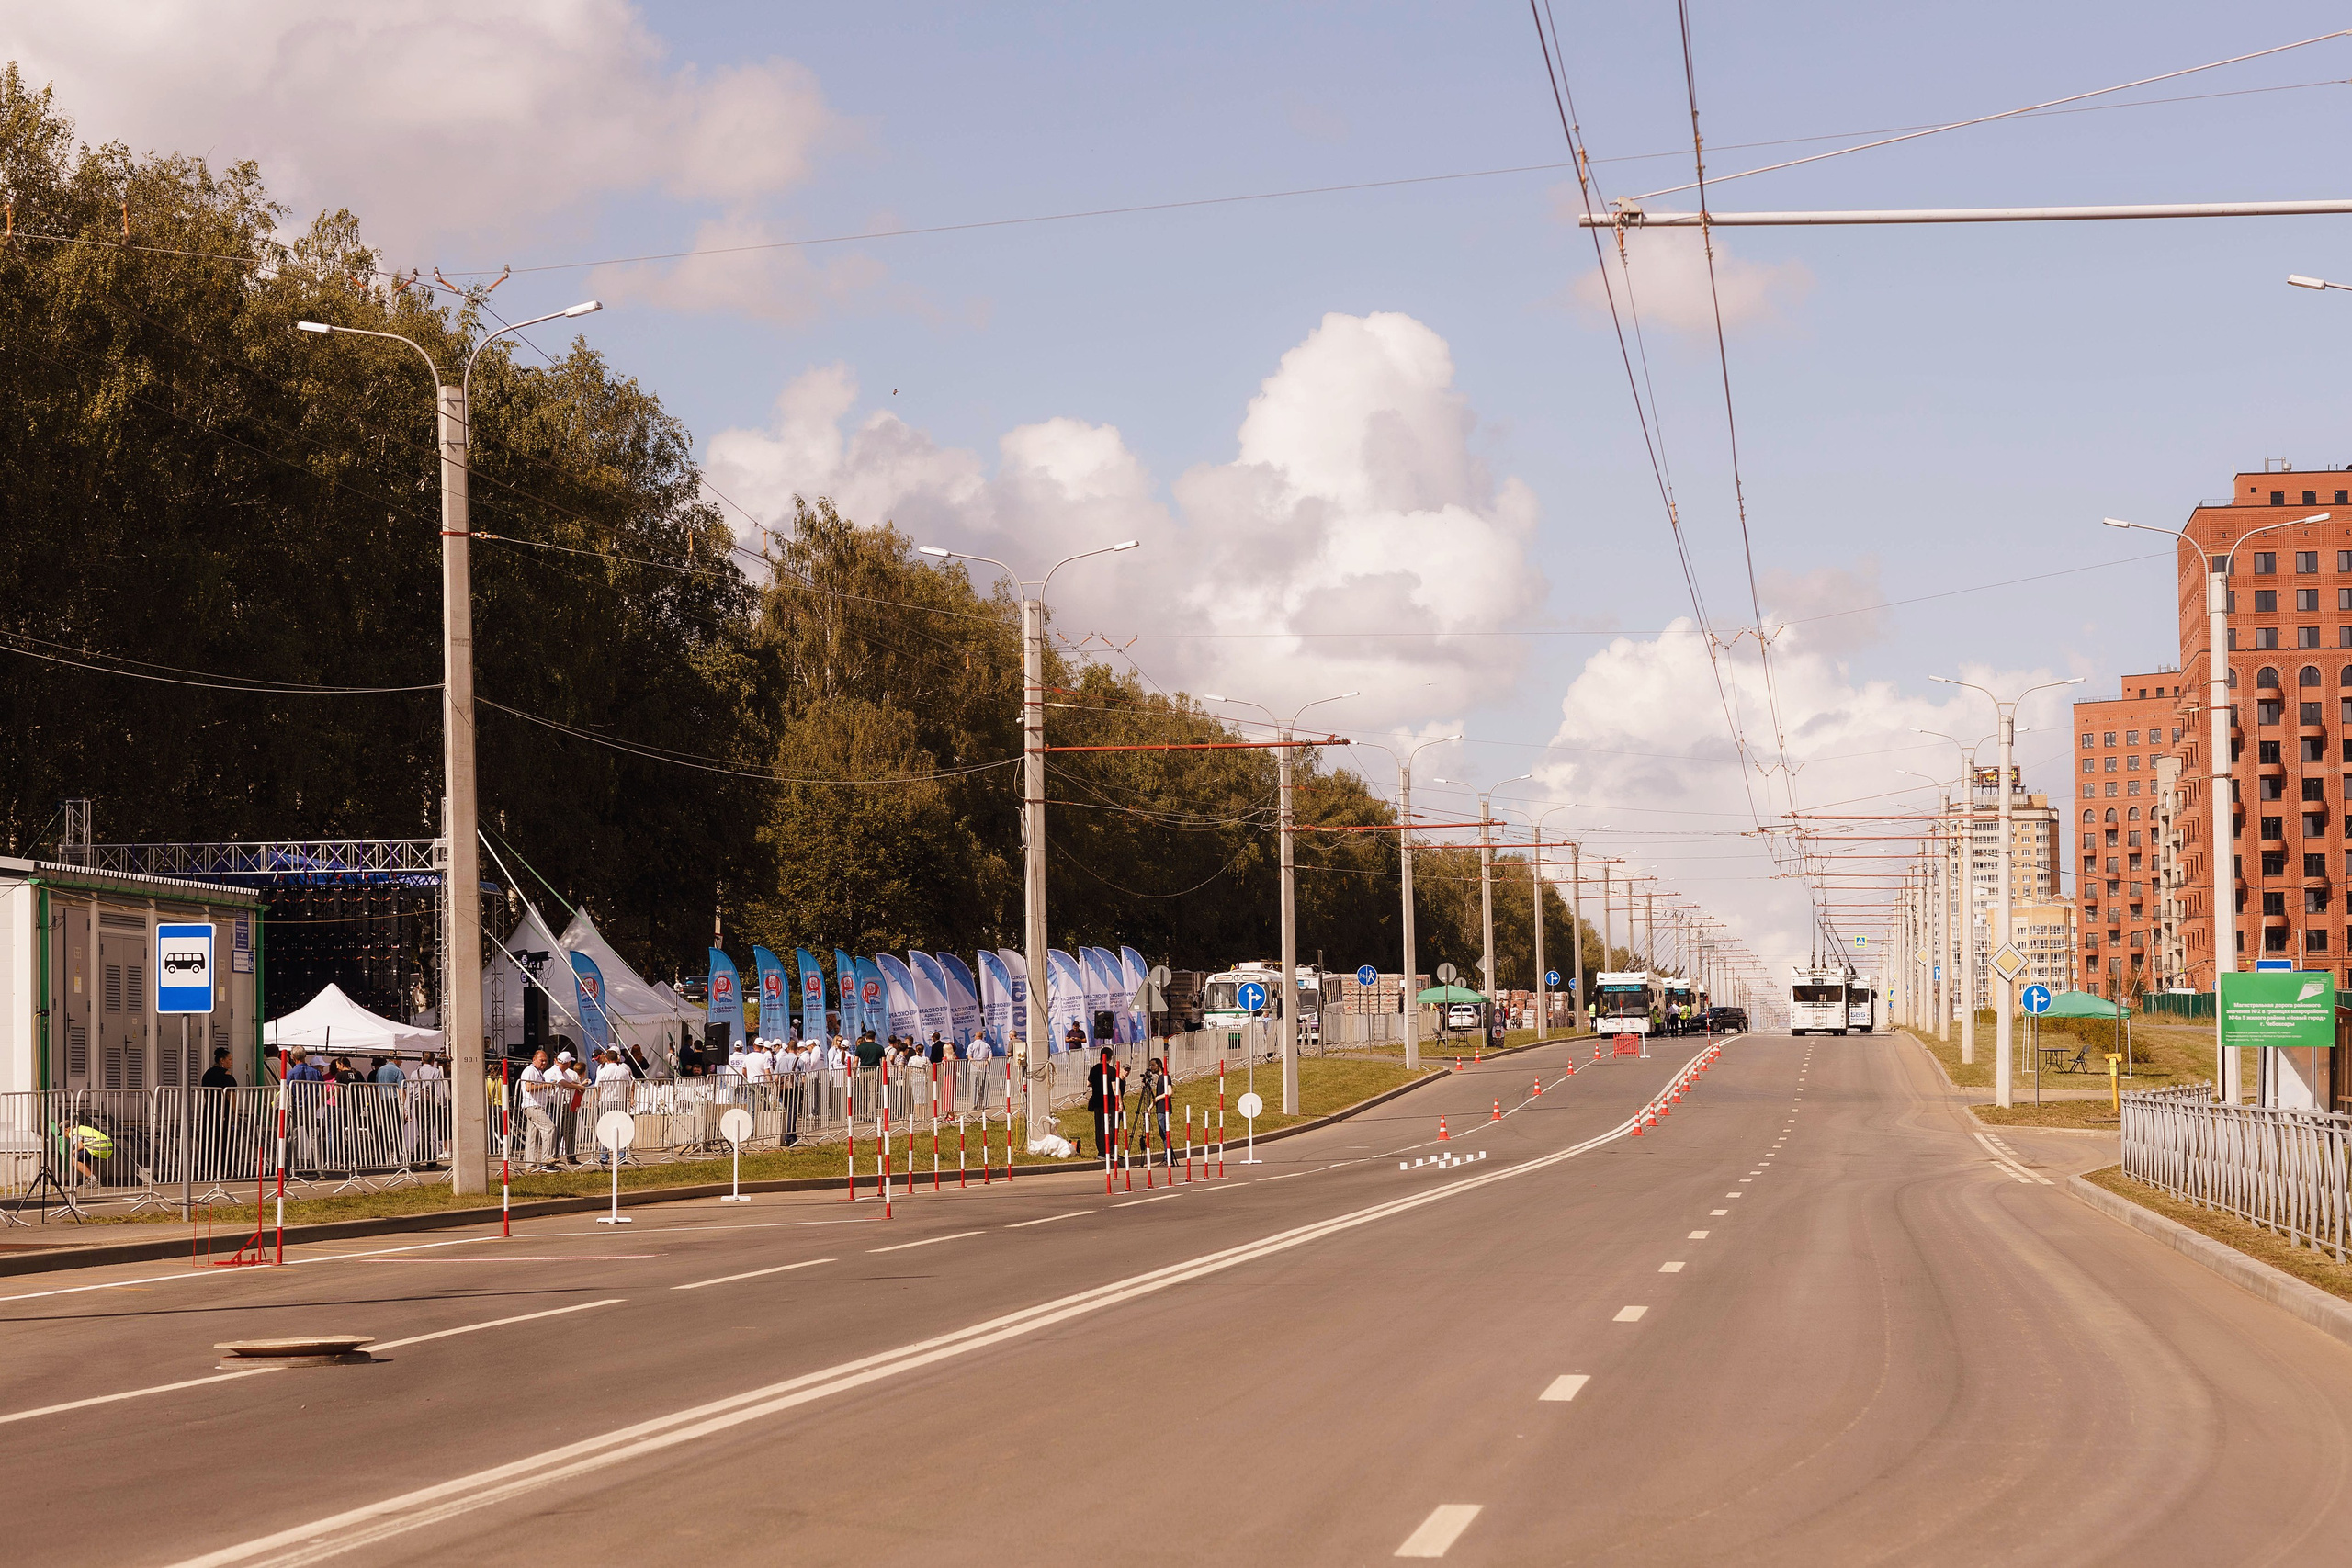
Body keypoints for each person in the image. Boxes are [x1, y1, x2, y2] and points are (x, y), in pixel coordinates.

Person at [593, 1048, 635, 1168]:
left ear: (606, 1059)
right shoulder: (623, 1071)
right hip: (620, 1101)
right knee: (621, 1127)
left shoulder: (603, 1071)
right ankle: (622, 1155)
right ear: (617, 1059)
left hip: (606, 1101)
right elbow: (629, 1085)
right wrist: (629, 1098)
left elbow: (597, 1087)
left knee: (604, 1127)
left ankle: (604, 1156)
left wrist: (595, 1099)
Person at [516, 1049, 558, 1171]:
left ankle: (530, 1165)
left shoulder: (538, 1072)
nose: (544, 1063)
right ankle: (547, 1159)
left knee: (532, 1136)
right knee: (550, 1128)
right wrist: (547, 1085)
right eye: (541, 1060)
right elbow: (529, 1087)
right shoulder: (530, 1070)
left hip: (537, 1105)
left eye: (545, 1060)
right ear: (534, 1059)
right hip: (533, 1105)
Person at [549, 1048, 587, 1166]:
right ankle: (557, 1156)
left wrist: (579, 1086)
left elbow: (571, 1083)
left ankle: (561, 1155)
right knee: (561, 1131)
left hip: (562, 1104)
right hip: (556, 1104)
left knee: (562, 1131)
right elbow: (564, 1083)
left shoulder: (564, 1072)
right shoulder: (557, 1072)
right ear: (568, 1063)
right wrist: (579, 1087)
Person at [1085, 1045, 1123, 1158]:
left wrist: (1098, 1084)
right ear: (1110, 1058)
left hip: (1097, 1103)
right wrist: (1120, 1103)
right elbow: (1115, 1088)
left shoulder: (1094, 1069)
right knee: (1110, 1126)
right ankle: (1109, 1151)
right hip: (1109, 1103)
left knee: (1099, 1127)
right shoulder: (1111, 1070)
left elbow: (1088, 1083)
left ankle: (1100, 1151)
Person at [1137, 1055, 1172, 1160]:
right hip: (1159, 1108)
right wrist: (1150, 1107)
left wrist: (1157, 1098)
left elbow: (1169, 1092)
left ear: (1159, 1065)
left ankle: (1168, 1157)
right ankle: (1167, 1156)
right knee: (1162, 1134)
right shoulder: (1160, 1079)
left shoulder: (1165, 1077)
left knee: (1165, 1132)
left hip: (1164, 1108)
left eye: (1153, 1065)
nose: (1151, 1067)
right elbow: (1156, 1097)